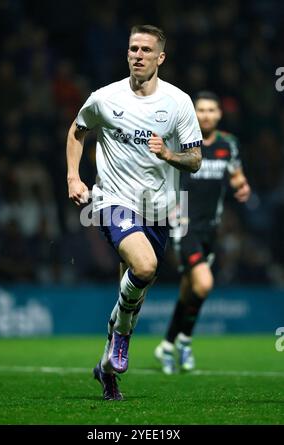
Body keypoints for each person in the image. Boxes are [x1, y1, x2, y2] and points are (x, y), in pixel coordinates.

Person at [66, 25, 203, 400]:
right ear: (127, 53)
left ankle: (107, 368)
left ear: (160, 58)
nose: (138, 55)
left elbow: (194, 160)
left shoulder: (178, 103)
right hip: (112, 200)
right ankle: (121, 339)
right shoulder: (104, 98)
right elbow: (78, 130)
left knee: (133, 293)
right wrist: (73, 177)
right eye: (133, 49)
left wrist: (169, 155)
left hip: (157, 211)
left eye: (146, 50)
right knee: (144, 267)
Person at [155, 91, 251, 374]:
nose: (206, 114)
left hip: (211, 228)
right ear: (194, 114)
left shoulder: (228, 145)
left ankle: (168, 345)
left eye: (212, 110)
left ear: (219, 114)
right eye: (202, 110)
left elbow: (236, 174)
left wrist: (242, 186)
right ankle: (185, 340)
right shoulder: (183, 143)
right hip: (184, 226)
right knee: (204, 284)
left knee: (190, 290)